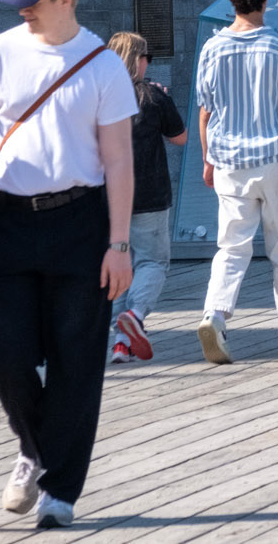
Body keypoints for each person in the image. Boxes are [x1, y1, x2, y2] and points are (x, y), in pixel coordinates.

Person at [0, 0, 138, 531]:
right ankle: (33, 449)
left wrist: (120, 243)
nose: (23, 12)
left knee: (76, 360)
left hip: (81, 222)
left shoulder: (102, 65)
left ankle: (60, 490)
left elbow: (118, 159)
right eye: (19, 1)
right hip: (8, 218)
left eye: (33, 2)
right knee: (5, 355)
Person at [194, 0, 278, 365]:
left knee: (230, 247)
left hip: (228, 159)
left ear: (231, 0)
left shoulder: (212, 48)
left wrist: (207, 158)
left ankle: (216, 315)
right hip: (275, 156)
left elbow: (205, 111)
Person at [105, 30, 185, 366]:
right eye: (146, 58)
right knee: (153, 263)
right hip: (150, 196)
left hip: (108, 199)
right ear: (138, 61)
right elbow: (179, 138)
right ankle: (135, 316)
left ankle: (121, 343)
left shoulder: (101, 96)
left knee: (118, 269)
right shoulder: (152, 97)